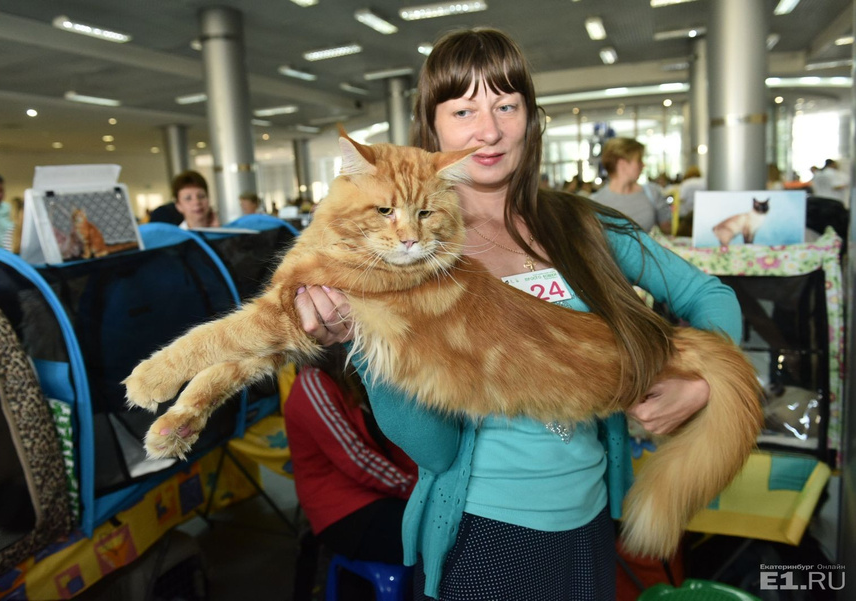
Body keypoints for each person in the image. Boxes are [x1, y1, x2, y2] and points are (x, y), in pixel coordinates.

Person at [295, 28, 741, 600]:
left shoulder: (586, 227)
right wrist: (373, 339)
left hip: (590, 516)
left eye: (507, 105)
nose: (489, 130)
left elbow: (712, 296)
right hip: (484, 530)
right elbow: (433, 450)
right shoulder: (415, 256)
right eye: (463, 111)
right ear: (432, 130)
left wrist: (702, 383)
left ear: (531, 118)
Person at [285, 344, 416, 600]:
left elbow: (395, 441)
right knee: (437, 537)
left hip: (375, 497)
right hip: (343, 513)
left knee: (447, 529)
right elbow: (357, 459)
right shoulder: (312, 384)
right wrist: (417, 490)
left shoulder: (350, 376)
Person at [592, 138, 672, 234]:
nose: (643, 165)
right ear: (622, 164)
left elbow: (667, 232)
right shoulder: (595, 203)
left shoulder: (652, 193)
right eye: (638, 161)